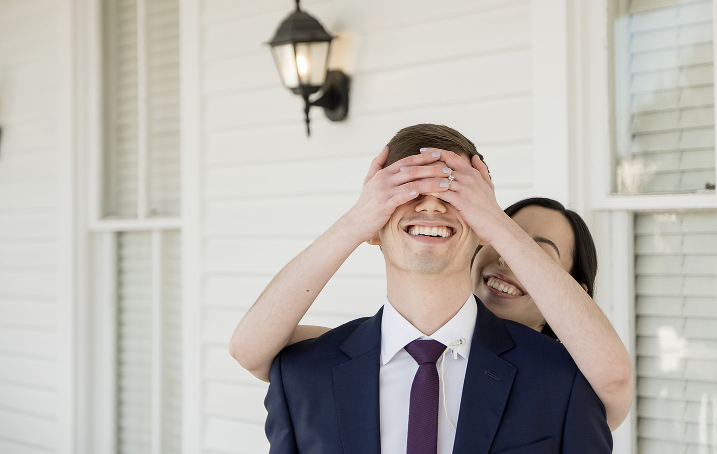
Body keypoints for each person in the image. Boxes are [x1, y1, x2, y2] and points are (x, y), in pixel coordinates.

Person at [237, 124, 615, 453]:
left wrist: (494, 220)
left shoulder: (566, 379)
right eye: (408, 191)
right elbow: (249, 348)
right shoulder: (305, 374)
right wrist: (357, 220)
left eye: (453, 194)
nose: (432, 206)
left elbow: (613, 376)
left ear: (484, 224)